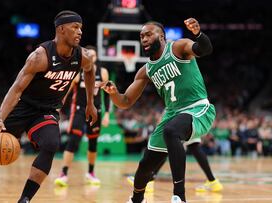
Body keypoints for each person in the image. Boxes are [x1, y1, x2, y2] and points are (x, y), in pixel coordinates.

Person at [0, 10, 98, 203]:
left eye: (81, 28)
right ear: (61, 29)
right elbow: (16, 90)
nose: (80, 32)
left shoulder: (82, 56)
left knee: (51, 144)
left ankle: (24, 199)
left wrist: (91, 104)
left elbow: (90, 70)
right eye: (75, 27)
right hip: (23, 107)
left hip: (46, 111)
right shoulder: (40, 57)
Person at [100, 18, 215, 203]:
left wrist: (198, 34)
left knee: (172, 130)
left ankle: (179, 196)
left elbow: (204, 49)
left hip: (198, 109)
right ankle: (137, 199)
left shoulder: (178, 47)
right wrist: (113, 93)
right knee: (146, 165)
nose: (144, 39)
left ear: (161, 36)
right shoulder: (146, 70)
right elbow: (126, 101)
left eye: (148, 34)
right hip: (172, 114)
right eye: (141, 36)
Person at [54, 46, 110, 187]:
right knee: (73, 140)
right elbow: (67, 90)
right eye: (88, 55)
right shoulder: (78, 72)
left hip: (96, 111)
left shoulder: (102, 72)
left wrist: (107, 113)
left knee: (93, 143)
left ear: (96, 58)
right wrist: (59, 104)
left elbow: (107, 94)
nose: (91, 57)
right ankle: (64, 173)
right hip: (79, 110)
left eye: (93, 55)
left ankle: (90, 173)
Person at [127, 141, 223, 193]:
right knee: (191, 146)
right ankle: (213, 181)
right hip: (189, 109)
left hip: (185, 110)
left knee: (165, 143)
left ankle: (150, 181)